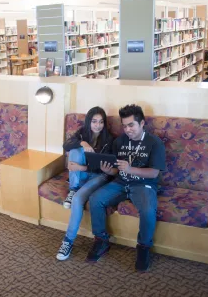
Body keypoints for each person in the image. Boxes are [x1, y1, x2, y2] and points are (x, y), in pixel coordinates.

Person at [85, 104, 166, 272]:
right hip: (121, 182)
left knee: (148, 209)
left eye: (131, 125)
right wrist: (110, 170)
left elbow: (154, 173)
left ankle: (143, 247)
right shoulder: (119, 141)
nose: (127, 129)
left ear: (142, 123)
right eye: (124, 125)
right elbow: (116, 169)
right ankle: (101, 240)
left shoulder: (154, 143)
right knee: (95, 199)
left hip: (143, 184)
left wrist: (130, 169)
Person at [56, 106, 113, 261]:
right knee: (74, 150)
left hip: (98, 177)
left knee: (76, 200)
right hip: (82, 176)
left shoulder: (108, 139)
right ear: (89, 122)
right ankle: (73, 188)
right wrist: (82, 143)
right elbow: (66, 145)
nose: (97, 125)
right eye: (94, 121)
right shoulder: (82, 132)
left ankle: (68, 241)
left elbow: (103, 166)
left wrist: (81, 167)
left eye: (101, 122)